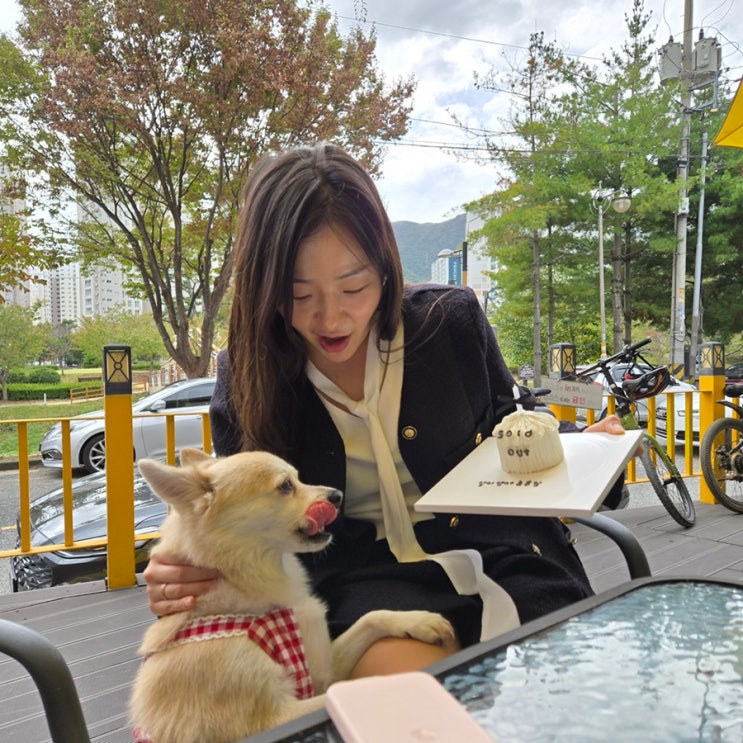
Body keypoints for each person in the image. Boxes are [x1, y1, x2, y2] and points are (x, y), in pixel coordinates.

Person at [143, 142, 627, 678]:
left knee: (565, 692)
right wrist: (178, 566)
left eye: (354, 286)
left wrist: (586, 447)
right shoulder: (248, 378)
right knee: (409, 699)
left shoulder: (451, 323)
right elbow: (233, 511)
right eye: (299, 295)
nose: (332, 318)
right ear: (265, 289)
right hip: (363, 585)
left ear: (385, 266)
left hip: (511, 558)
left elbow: (510, 426)